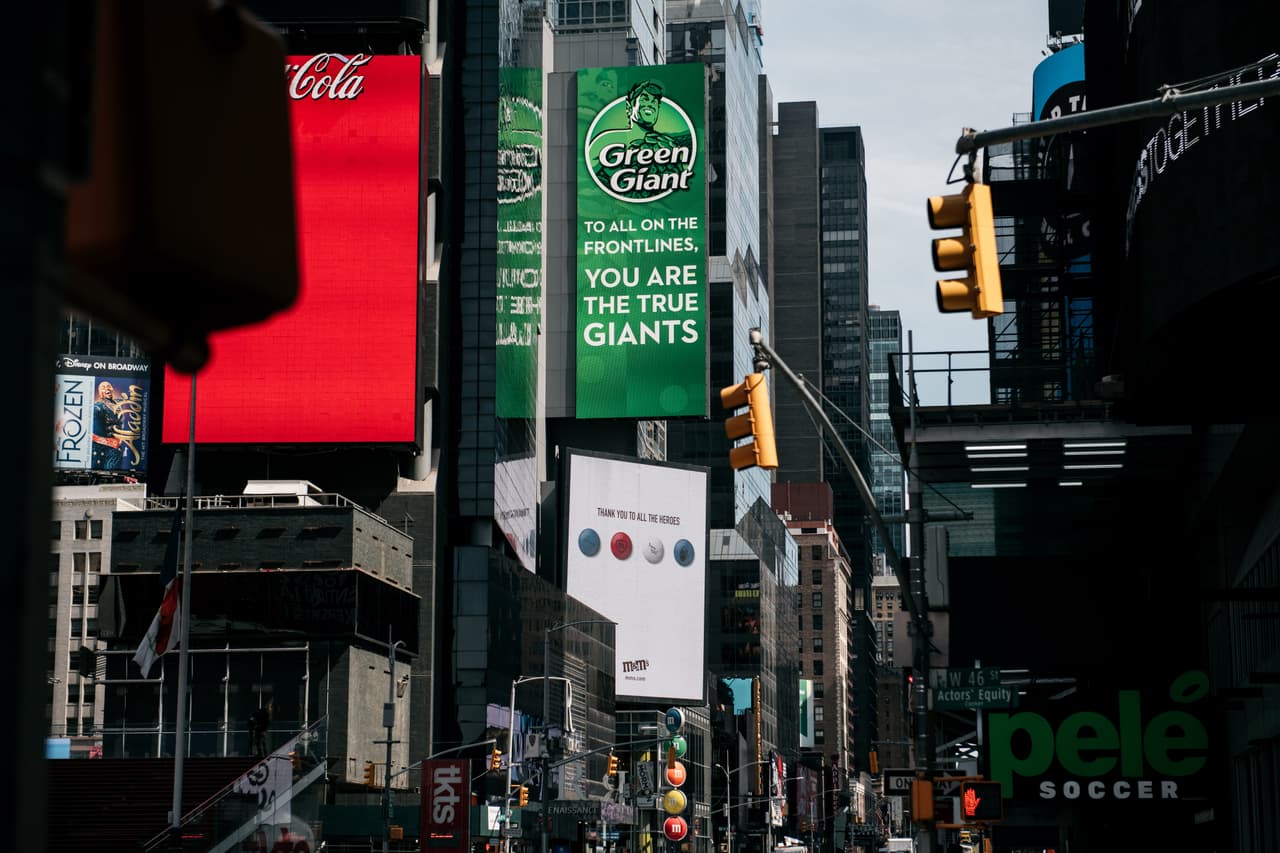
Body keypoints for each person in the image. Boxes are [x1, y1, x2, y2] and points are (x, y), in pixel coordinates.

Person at [90, 381, 125, 470]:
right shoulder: (97, 407)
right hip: (102, 449)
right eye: (103, 387)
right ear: (100, 393)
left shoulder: (118, 404)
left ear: (112, 389)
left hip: (117, 449)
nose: (107, 388)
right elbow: (92, 434)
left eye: (109, 386)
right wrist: (110, 442)